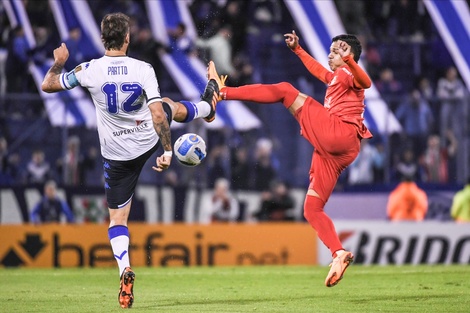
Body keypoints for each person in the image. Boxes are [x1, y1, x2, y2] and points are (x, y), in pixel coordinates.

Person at [41, 13, 220, 309]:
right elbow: (159, 115)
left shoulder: (88, 69)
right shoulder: (143, 68)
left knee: (117, 220)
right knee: (167, 105)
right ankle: (206, 107)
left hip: (116, 155)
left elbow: (48, 85)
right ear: (127, 38)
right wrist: (166, 150)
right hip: (146, 138)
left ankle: (124, 269)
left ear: (102, 40)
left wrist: (60, 61)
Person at [206, 30, 372, 287]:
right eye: (330, 50)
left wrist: (349, 60)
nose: (330, 54)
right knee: (312, 209)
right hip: (338, 151)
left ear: (349, 55)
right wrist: (298, 50)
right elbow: (318, 71)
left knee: (285, 90)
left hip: (339, 134)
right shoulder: (338, 76)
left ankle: (223, 92)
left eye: (336, 50)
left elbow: (367, 82)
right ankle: (339, 253)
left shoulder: (350, 73)